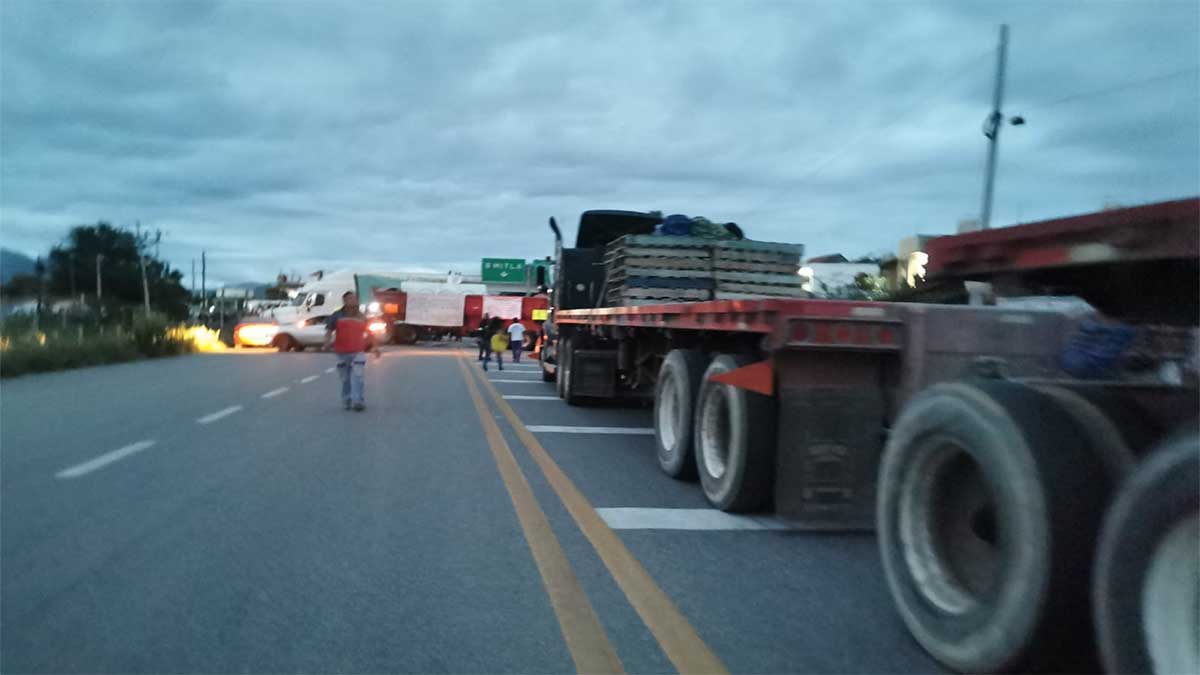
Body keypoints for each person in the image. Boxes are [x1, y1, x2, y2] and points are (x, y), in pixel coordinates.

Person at [323, 291, 381, 411]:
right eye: (350, 298)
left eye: (355, 299)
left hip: (358, 351)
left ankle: (358, 401)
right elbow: (328, 331)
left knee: (358, 376)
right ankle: (346, 400)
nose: (353, 301)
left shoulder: (362, 317)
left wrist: (375, 347)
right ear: (344, 301)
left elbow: (370, 333)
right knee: (345, 379)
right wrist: (326, 343)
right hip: (341, 352)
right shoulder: (337, 315)